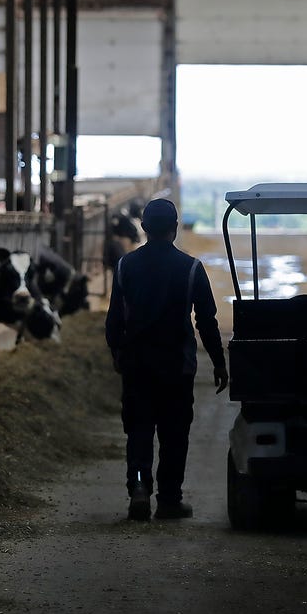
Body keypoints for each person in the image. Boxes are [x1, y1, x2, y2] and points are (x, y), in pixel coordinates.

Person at [105, 198, 228, 521]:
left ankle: (141, 489)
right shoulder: (190, 268)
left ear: (144, 228)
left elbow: (114, 321)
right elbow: (207, 321)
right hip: (177, 366)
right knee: (174, 434)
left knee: (140, 430)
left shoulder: (125, 266)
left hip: (137, 366)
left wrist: (118, 355)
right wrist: (218, 361)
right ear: (175, 229)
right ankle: (170, 499)